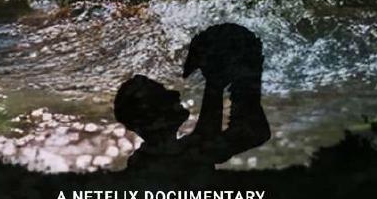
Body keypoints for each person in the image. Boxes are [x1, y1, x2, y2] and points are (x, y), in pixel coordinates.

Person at [114, 23, 270, 173]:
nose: (174, 94)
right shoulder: (154, 163)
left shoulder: (156, 157)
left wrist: (224, 81)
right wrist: (241, 79)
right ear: (151, 116)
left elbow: (250, 134)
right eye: (162, 96)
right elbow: (245, 135)